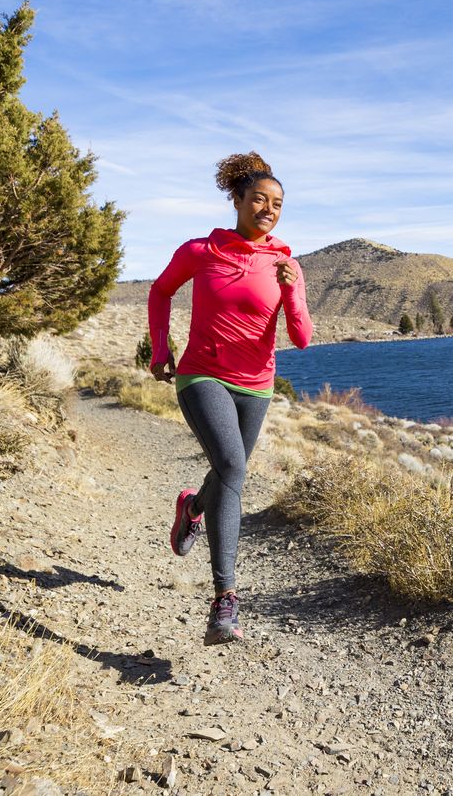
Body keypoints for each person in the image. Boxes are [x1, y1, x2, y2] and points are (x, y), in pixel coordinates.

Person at [147, 151, 313, 645]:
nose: (269, 209)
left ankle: (193, 507)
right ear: (237, 200)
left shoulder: (286, 262)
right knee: (234, 467)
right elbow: (160, 292)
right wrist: (162, 348)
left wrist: (293, 292)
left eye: (278, 203)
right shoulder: (202, 250)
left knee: (227, 469)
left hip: (257, 384)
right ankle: (225, 601)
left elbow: (301, 337)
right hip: (201, 374)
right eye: (259, 199)